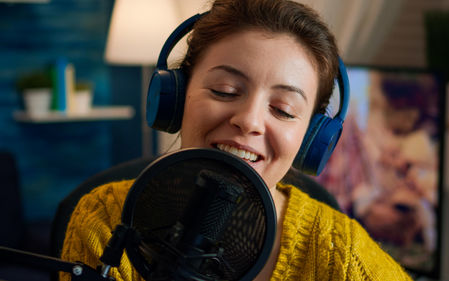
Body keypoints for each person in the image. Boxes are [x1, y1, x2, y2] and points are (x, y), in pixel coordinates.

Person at [61, 0, 413, 280]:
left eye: (284, 109)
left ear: (310, 138)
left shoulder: (341, 253)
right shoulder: (105, 219)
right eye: (224, 90)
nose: (248, 121)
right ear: (177, 97)